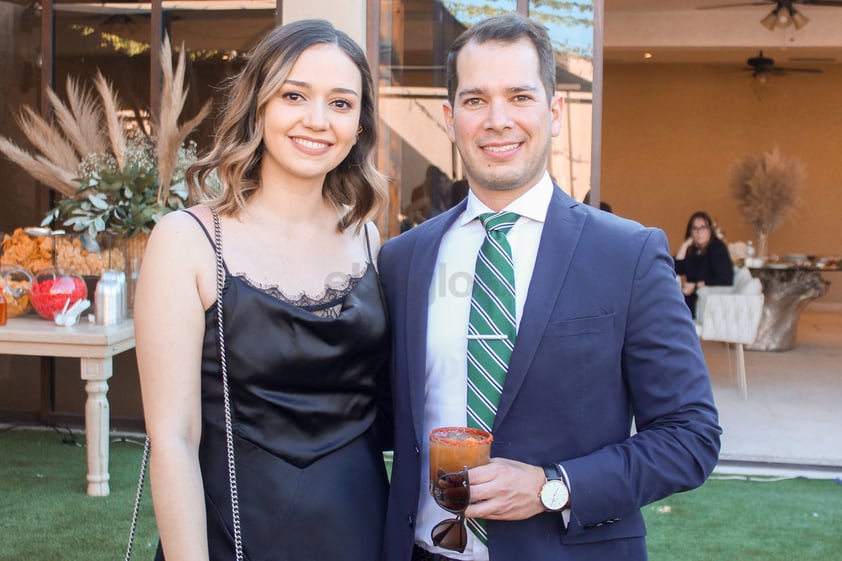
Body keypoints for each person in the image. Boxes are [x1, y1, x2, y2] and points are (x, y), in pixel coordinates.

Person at [377, 14, 721, 561]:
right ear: (449, 118)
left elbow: (690, 435)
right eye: (475, 100)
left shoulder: (627, 254)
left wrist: (551, 486)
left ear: (555, 112)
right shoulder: (402, 261)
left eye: (520, 96)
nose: (497, 120)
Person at [135, 19, 391, 561]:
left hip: (361, 529)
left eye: (341, 104)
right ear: (258, 105)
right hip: (237, 535)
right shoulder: (187, 241)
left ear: (359, 125)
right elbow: (173, 440)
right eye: (294, 95)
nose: (317, 121)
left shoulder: (367, 238)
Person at [674, 210, 734, 316]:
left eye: (703, 228)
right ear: (690, 232)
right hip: (692, 297)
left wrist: (696, 285)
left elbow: (725, 279)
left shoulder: (717, 248)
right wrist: (685, 245)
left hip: (707, 301)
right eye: (695, 228)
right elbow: (675, 268)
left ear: (710, 230)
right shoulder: (693, 250)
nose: (699, 232)